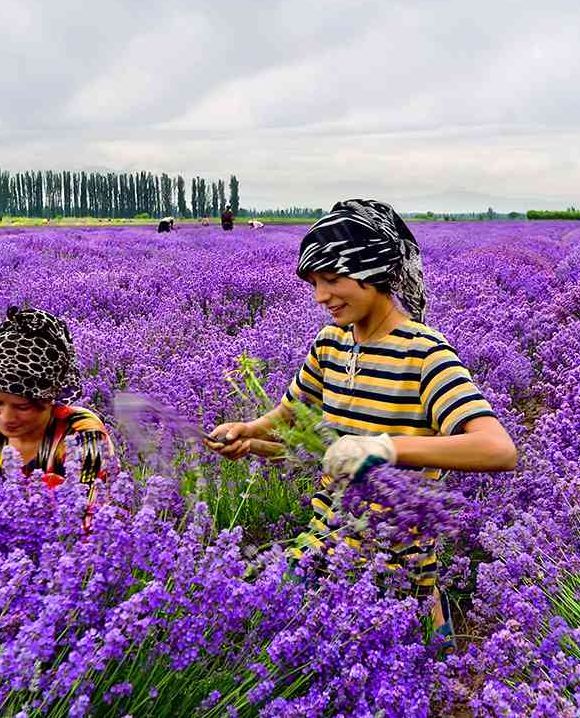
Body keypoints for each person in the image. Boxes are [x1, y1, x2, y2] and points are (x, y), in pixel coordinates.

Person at [205, 199, 517, 649]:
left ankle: (427, 608)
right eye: (314, 283)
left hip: (390, 552)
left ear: (376, 272)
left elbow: (497, 449)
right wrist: (249, 435)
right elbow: (290, 423)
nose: (320, 296)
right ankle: (429, 616)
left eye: (332, 279)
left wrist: (384, 448)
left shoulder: (424, 353)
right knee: (251, 617)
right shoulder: (331, 344)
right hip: (325, 537)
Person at [0, 306, 113, 505]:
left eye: (22, 407)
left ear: (49, 398)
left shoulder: (82, 432)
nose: (6, 417)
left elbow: (90, 510)